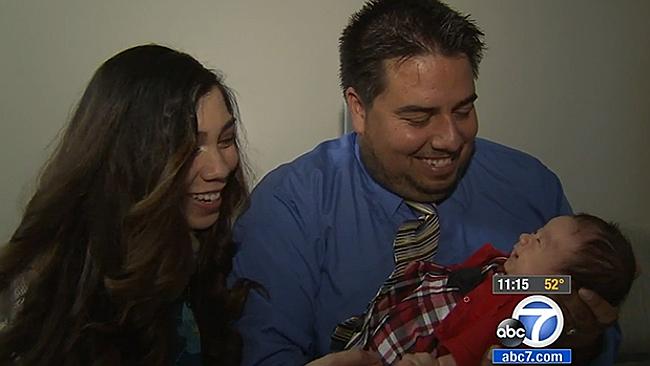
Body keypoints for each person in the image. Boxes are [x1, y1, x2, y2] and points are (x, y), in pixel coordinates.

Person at [230, 0, 618, 364]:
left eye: (464, 109)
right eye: (418, 117)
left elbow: (595, 333)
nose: (450, 139)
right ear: (359, 109)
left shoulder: (531, 187)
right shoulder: (288, 208)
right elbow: (264, 354)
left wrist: (565, 345)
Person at [0, 44, 253, 365]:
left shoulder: (203, 255)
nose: (219, 168)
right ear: (130, 156)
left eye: (226, 140)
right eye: (189, 147)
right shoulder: (52, 285)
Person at [343, 214, 636, 366]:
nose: (524, 237)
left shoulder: (526, 310)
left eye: (540, 241)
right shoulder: (508, 270)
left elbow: (475, 346)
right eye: (535, 233)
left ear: (562, 284)